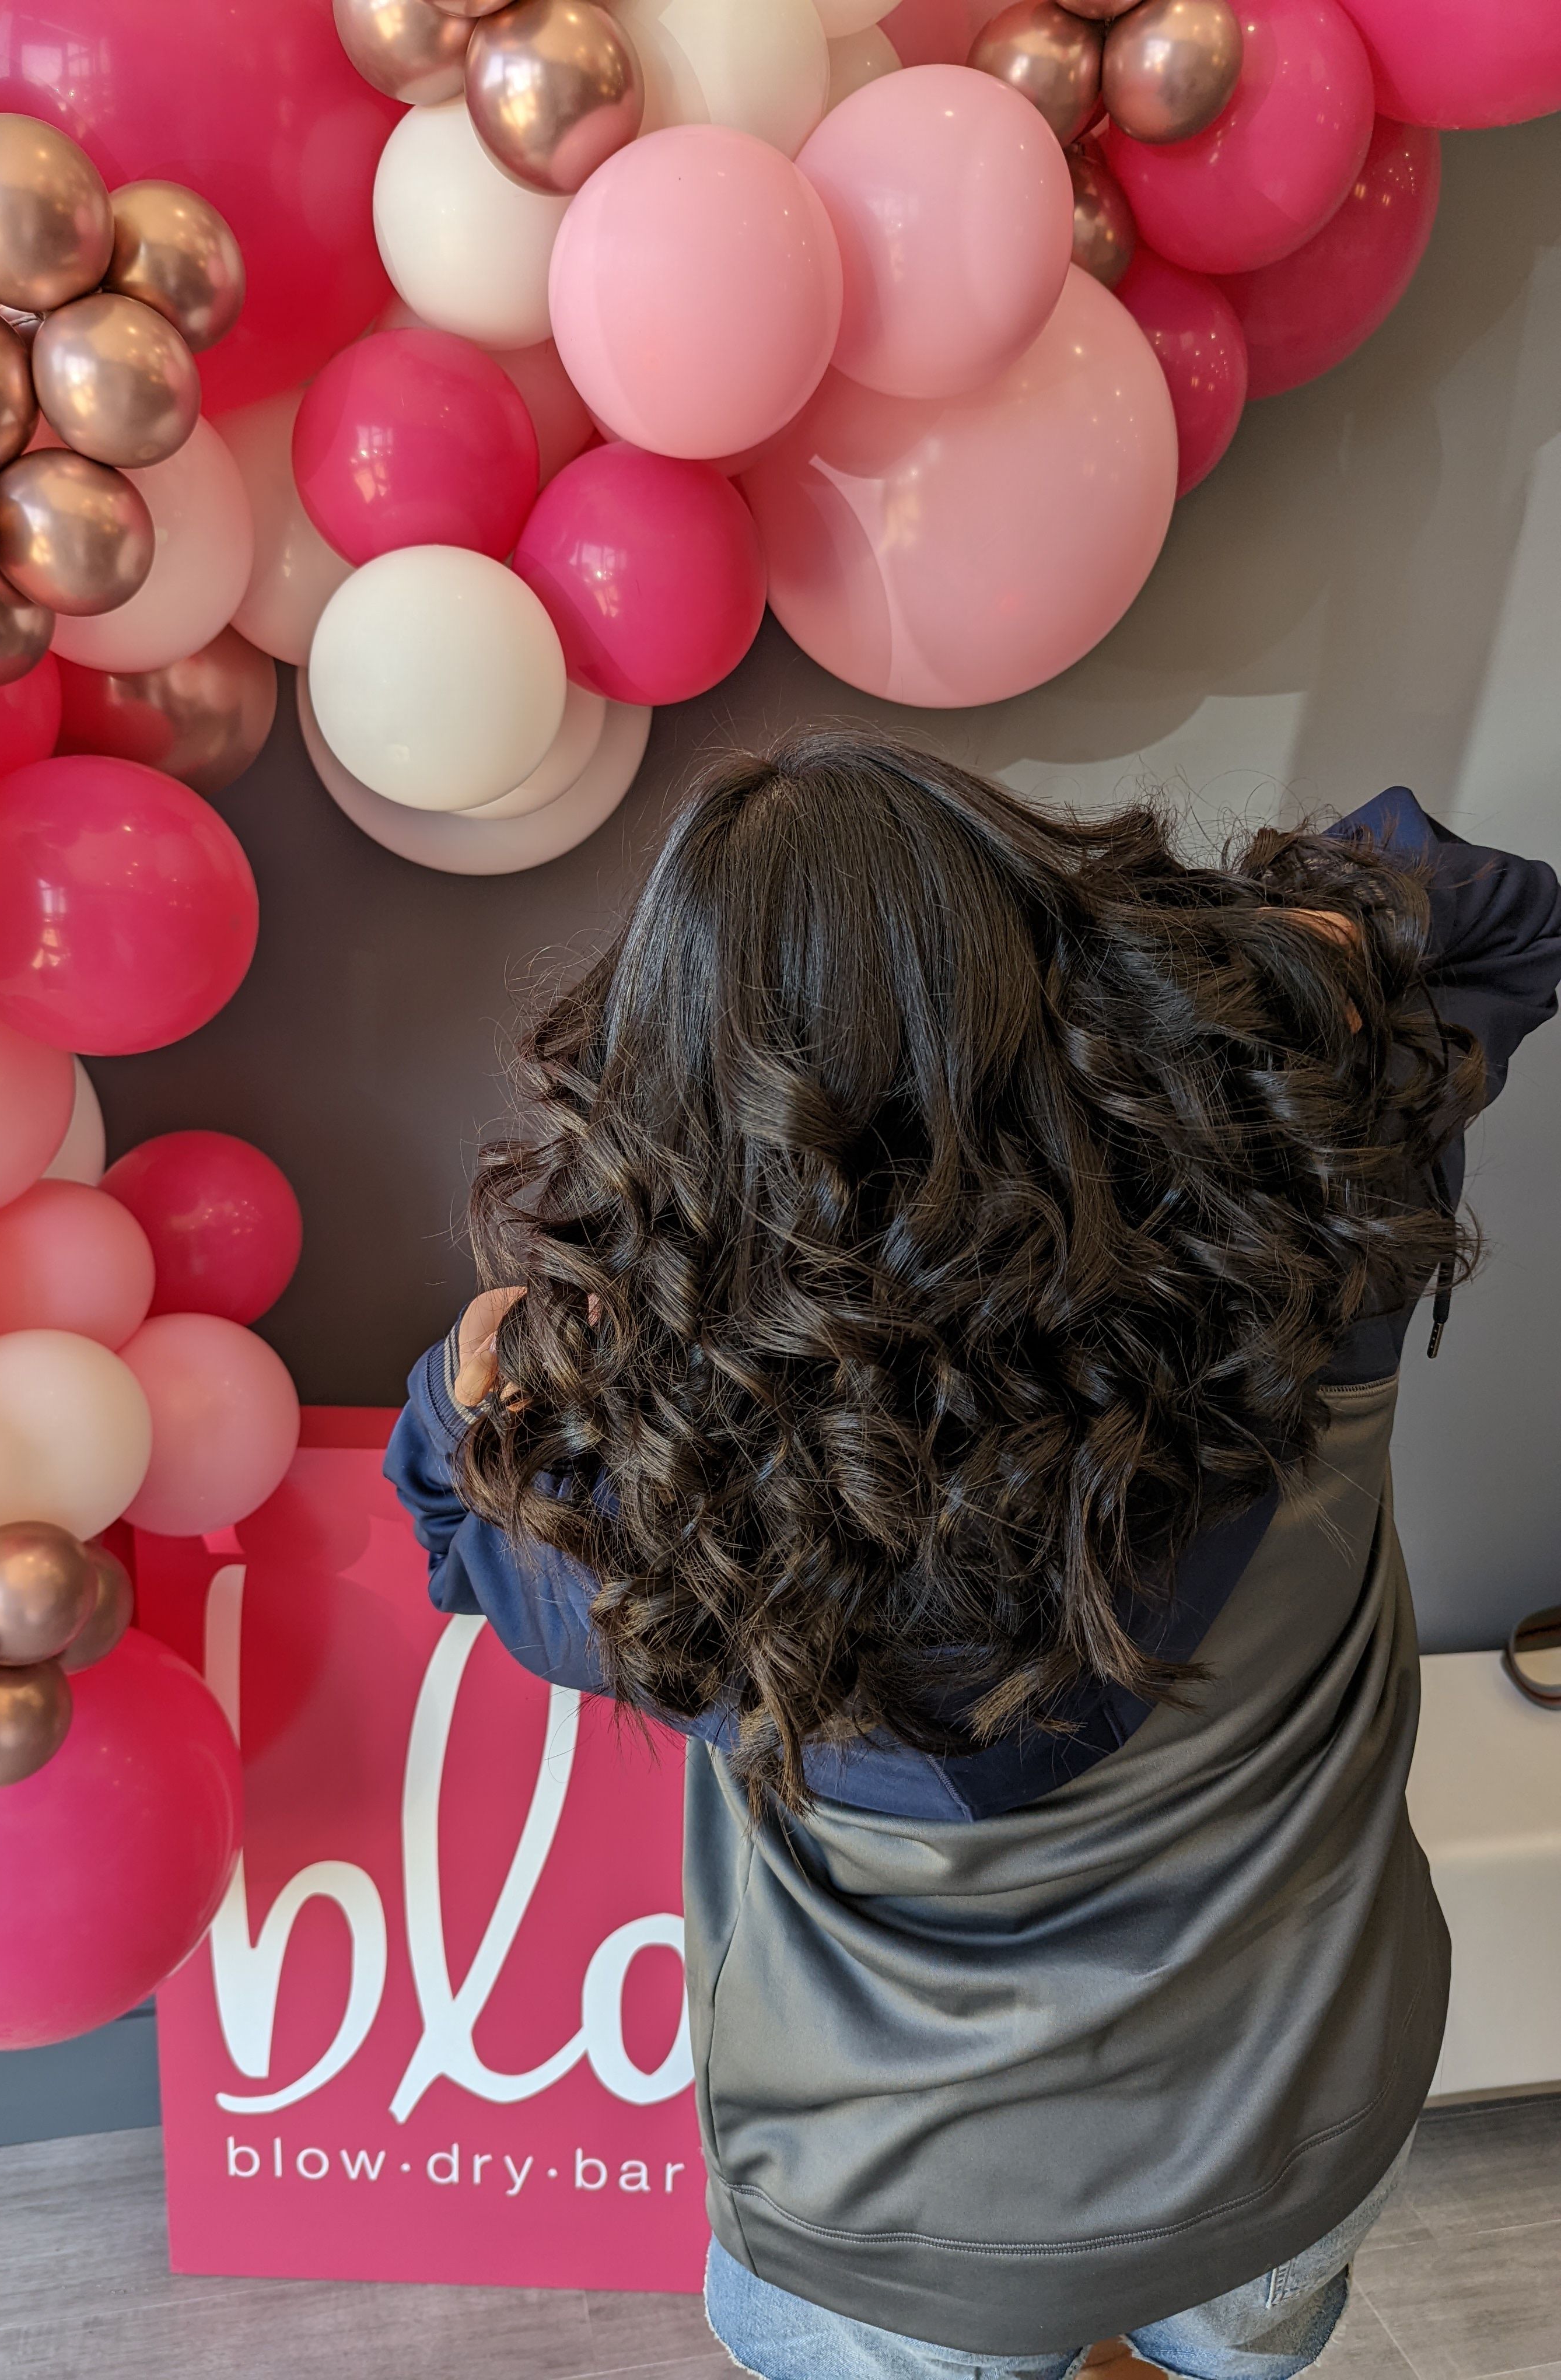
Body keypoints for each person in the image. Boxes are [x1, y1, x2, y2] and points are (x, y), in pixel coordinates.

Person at [385, 733, 1561, 2380]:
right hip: (1288, 2123)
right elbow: (1493, 913)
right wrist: (1236, 963)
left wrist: (480, 1373)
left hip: (884, 2230)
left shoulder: (644, 1502)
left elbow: (448, 1515)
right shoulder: (1313, 1212)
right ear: (1061, 968)